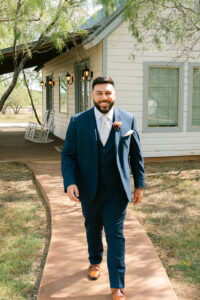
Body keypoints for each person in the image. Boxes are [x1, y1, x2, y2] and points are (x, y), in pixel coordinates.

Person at [61, 76, 145, 300]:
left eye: (108, 93)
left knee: (115, 235)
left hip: (116, 191)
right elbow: (68, 155)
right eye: (99, 93)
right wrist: (70, 182)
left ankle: (117, 284)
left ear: (114, 94)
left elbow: (136, 156)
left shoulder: (128, 119)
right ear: (92, 95)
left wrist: (140, 185)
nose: (104, 97)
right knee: (92, 228)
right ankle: (94, 261)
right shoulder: (78, 121)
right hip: (88, 189)